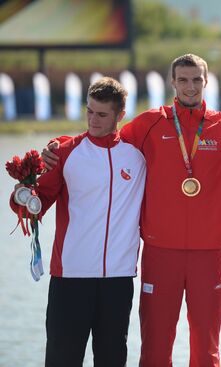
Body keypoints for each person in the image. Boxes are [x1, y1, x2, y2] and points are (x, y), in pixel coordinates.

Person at [42, 54, 221, 367]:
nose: (190, 87)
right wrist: (57, 146)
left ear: (206, 82)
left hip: (208, 255)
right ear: (172, 83)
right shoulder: (149, 124)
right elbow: (101, 139)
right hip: (159, 253)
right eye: (183, 80)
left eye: (196, 80)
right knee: (154, 351)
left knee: (207, 351)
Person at [10, 77, 146, 366]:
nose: (92, 120)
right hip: (71, 278)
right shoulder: (64, 152)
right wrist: (21, 195)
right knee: (62, 360)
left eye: (101, 114)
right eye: (89, 111)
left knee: (112, 360)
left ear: (120, 116)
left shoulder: (138, 156)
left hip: (118, 281)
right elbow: (38, 204)